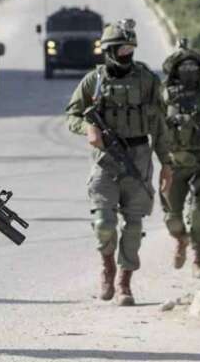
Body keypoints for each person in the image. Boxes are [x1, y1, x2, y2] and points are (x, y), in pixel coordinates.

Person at [64, 19, 173, 305]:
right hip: (106, 160)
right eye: (121, 49)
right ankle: (107, 267)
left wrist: (166, 164)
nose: (127, 54)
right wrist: (87, 128)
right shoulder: (94, 81)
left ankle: (125, 281)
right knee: (103, 222)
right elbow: (72, 115)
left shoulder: (147, 79)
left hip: (139, 157)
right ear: (109, 50)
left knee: (133, 226)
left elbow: (160, 125)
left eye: (130, 48)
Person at [160, 41, 200, 278]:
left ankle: (198, 260)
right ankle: (180, 240)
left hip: (199, 164)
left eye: (193, 67)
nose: (189, 71)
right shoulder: (164, 98)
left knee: (198, 213)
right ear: (175, 71)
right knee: (172, 219)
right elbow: (153, 127)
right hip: (173, 166)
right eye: (184, 67)